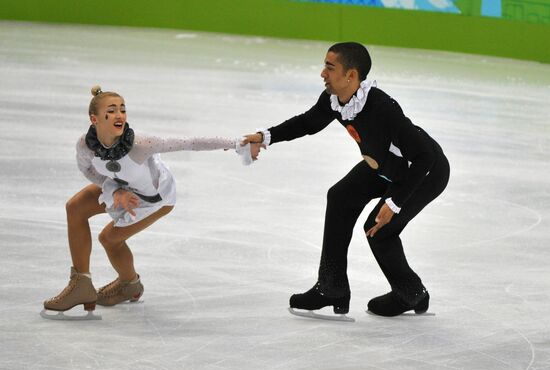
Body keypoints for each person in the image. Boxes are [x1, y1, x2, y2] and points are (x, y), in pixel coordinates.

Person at [242, 42, 450, 318]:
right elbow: (308, 123)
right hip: (383, 167)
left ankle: (411, 293)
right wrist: (265, 136)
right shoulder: (335, 99)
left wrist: (396, 202)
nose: (322, 74)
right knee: (340, 197)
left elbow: (424, 157)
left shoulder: (382, 108)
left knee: (378, 229)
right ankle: (332, 288)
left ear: (351, 75)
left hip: (423, 173)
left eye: (330, 68)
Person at [41, 85, 252, 320]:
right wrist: (114, 190)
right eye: (112, 111)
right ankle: (81, 283)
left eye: (123, 109)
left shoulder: (141, 145)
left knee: (109, 240)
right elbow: (89, 171)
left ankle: (130, 284)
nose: (120, 115)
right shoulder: (85, 145)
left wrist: (236, 143)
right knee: (75, 208)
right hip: (123, 188)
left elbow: (190, 142)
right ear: (95, 119)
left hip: (154, 199)